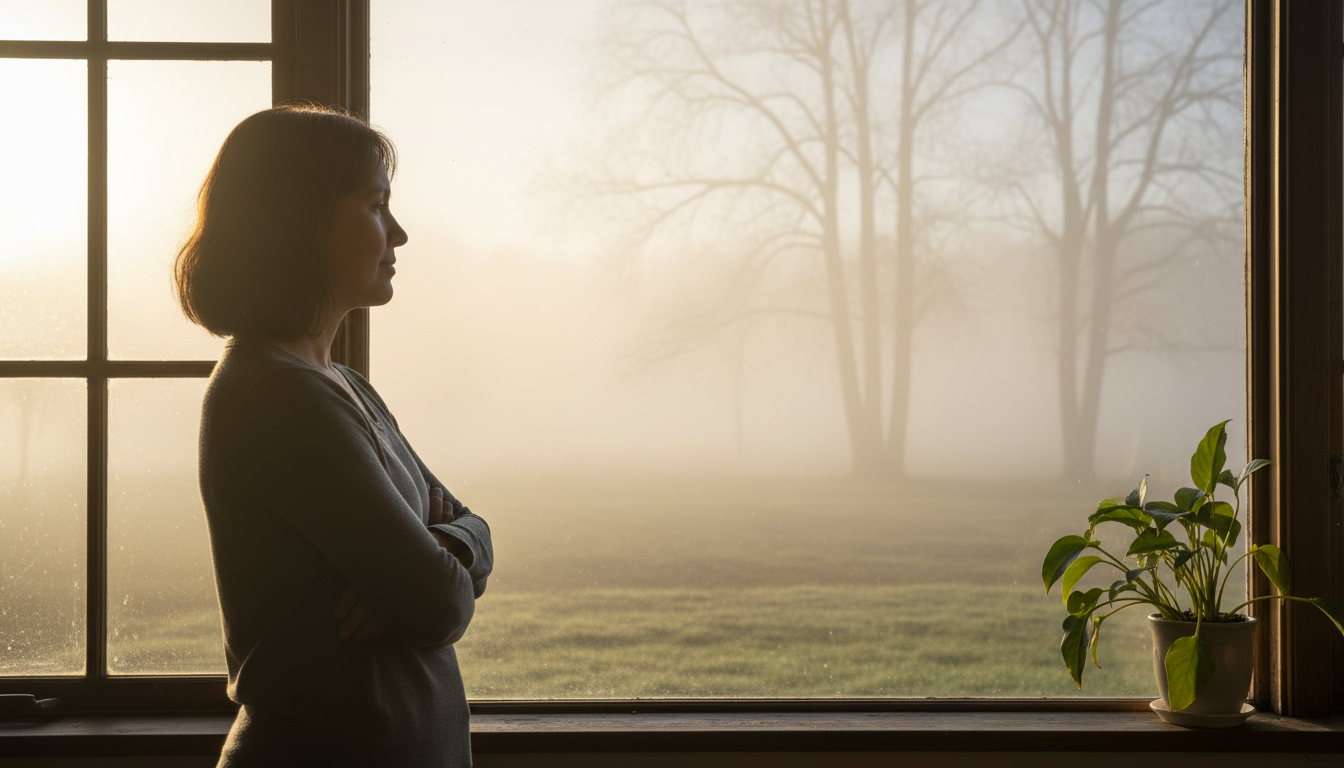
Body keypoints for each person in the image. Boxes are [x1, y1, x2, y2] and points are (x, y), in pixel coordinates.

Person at [173, 104, 492, 767]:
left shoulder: (342, 383)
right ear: (303, 221)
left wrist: (442, 547)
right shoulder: (280, 398)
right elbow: (437, 605)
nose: (398, 233)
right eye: (376, 206)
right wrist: (420, 575)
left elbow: (468, 526)